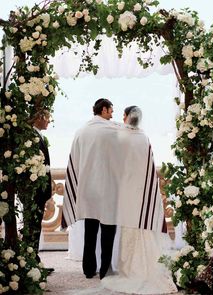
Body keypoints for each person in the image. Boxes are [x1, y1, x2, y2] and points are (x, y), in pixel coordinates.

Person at [101, 106, 178, 294]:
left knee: (129, 226)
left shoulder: (120, 137)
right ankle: (147, 264)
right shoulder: (144, 138)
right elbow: (150, 166)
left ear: (126, 117)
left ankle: (130, 267)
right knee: (143, 227)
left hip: (126, 190)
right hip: (142, 189)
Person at [62, 98, 118, 280]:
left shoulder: (81, 132)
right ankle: (105, 270)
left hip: (87, 189)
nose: (112, 114)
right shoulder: (113, 130)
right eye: (111, 110)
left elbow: (74, 162)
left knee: (90, 231)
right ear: (103, 110)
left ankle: (88, 269)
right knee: (108, 231)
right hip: (107, 187)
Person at [19, 109, 53, 270]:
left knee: (35, 227)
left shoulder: (38, 135)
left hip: (38, 192)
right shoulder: (31, 137)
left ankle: (34, 261)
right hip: (33, 192)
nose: (49, 120)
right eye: (47, 116)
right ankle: (30, 262)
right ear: (38, 118)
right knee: (31, 226)